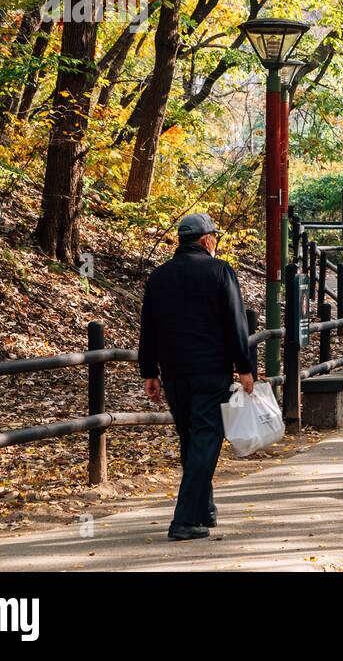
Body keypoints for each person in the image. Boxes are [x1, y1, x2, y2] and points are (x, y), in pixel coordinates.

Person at [139, 213, 254, 541]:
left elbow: (148, 327)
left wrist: (149, 371)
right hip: (210, 371)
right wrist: (245, 367)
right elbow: (236, 323)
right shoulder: (220, 271)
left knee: (191, 440)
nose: (216, 241)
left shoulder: (159, 277)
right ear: (206, 240)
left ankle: (204, 508)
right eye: (214, 237)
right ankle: (185, 520)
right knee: (206, 439)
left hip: (175, 374)